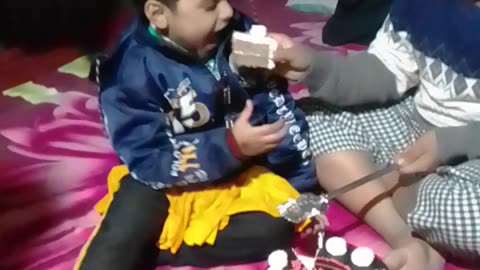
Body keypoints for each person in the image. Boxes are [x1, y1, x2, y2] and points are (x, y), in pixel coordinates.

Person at [74, 0, 322, 269]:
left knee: (280, 226)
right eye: (210, 6)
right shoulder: (129, 68)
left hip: (239, 174)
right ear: (158, 14)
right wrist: (227, 147)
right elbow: (146, 158)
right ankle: (136, 245)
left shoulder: (242, 34)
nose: (227, 11)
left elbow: (279, 112)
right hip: (162, 180)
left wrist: (302, 189)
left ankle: (155, 252)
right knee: (126, 227)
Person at [270, 0, 480, 269]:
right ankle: (406, 238)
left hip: (473, 155)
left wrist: (455, 142)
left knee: (471, 215)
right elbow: (386, 70)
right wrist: (313, 66)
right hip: (410, 119)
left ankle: (395, 186)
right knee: (305, 120)